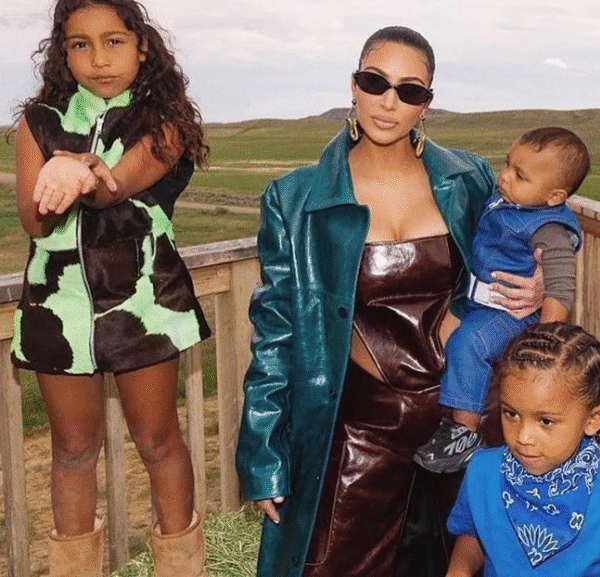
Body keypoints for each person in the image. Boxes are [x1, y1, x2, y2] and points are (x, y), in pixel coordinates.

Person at [234, 26, 544, 577]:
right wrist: (264, 454)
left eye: (409, 90)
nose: (388, 101)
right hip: (364, 423)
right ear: (353, 85)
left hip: (468, 414)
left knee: (484, 562)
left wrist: (538, 285)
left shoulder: (470, 179)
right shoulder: (296, 199)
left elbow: (533, 235)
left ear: (427, 103)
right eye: (375, 82)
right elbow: (276, 333)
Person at [11, 0, 211, 575]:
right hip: (58, 308)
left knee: (157, 442)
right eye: (81, 44)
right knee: (72, 450)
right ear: (63, 51)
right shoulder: (38, 123)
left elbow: (116, 186)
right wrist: (52, 180)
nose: (98, 58)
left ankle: (181, 569)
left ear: (142, 46)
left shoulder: (164, 122)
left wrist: (83, 172)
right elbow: (34, 223)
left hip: (145, 304)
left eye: (114, 41)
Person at [415, 127, 589, 473]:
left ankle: (463, 432)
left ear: (554, 196)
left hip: (509, 311)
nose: (505, 176)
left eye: (520, 175)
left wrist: (545, 342)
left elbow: (559, 286)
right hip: (480, 302)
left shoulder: (548, 228)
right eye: (507, 164)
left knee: (469, 343)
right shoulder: (509, 200)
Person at [445, 322, 600, 577]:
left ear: (593, 419)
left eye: (545, 421)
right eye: (511, 414)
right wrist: (459, 570)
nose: (523, 437)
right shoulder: (482, 472)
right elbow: (472, 531)